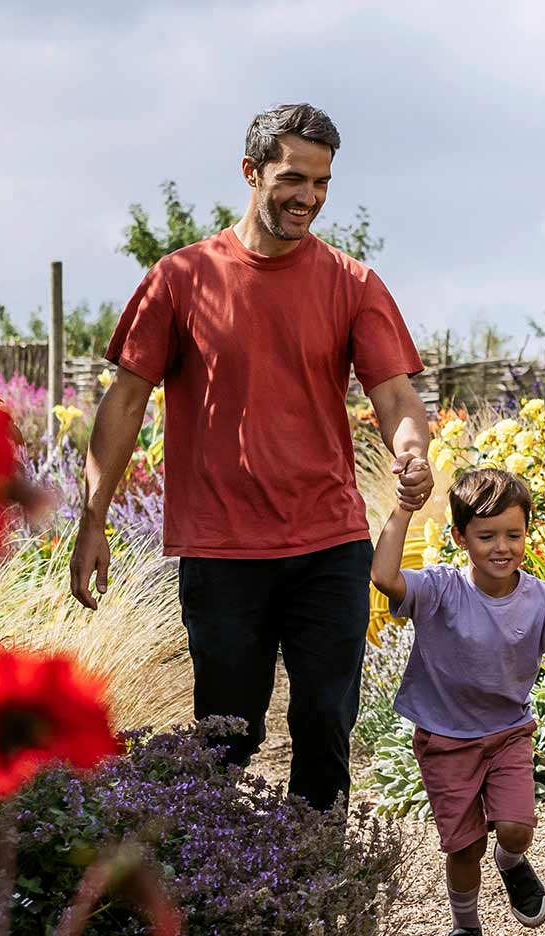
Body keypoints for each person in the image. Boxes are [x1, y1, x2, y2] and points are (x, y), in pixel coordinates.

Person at [71, 103, 434, 812]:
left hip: (329, 541)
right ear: (251, 172)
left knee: (325, 721)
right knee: (226, 735)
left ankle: (322, 880)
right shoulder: (180, 279)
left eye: (322, 182)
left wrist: (412, 448)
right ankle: (222, 888)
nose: (309, 197)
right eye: (293, 178)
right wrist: (93, 517)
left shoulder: (352, 283)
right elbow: (125, 399)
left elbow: (394, 394)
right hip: (222, 548)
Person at [373, 467, 545, 936]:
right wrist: (404, 507)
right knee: (463, 849)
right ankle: (467, 926)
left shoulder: (542, 601)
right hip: (445, 740)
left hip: (507, 734)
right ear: (461, 537)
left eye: (513, 534)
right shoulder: (442, 589)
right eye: (486, 536)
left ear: (526, 533)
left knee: (516, 829)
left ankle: (511, 861)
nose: (502, 547)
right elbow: (383, 577)